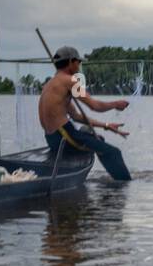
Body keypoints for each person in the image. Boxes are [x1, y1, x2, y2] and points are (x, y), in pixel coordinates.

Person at [38, 45, 132, 181]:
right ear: (71, 62)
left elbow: (76, 116)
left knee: (96, 138)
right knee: (113, 153)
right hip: (64, 135)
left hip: (53, 139)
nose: (79, 65)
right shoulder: (70, 81)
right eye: (78, 61)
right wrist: (115, 104)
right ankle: (125, 186)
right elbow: (94, 106)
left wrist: (106, 125)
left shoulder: (51, 84)